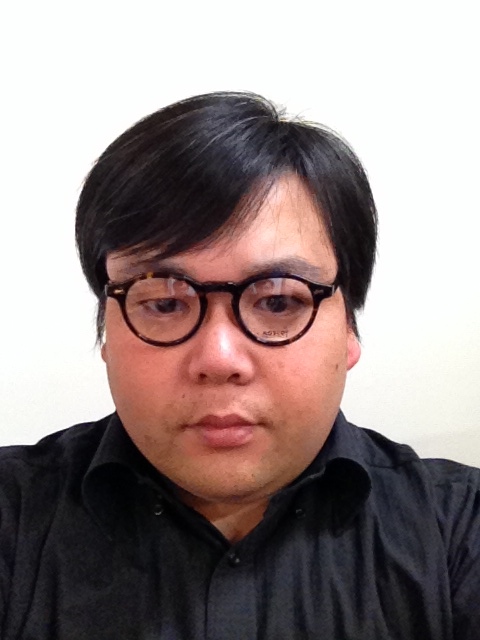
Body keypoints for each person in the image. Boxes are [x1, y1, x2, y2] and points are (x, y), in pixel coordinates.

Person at [0, 91, 478, 640]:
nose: (219, 359)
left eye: (278, 300)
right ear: (107, 333)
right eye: (165, 303)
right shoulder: (15, 518)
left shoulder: (457, 532)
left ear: (349, 329)